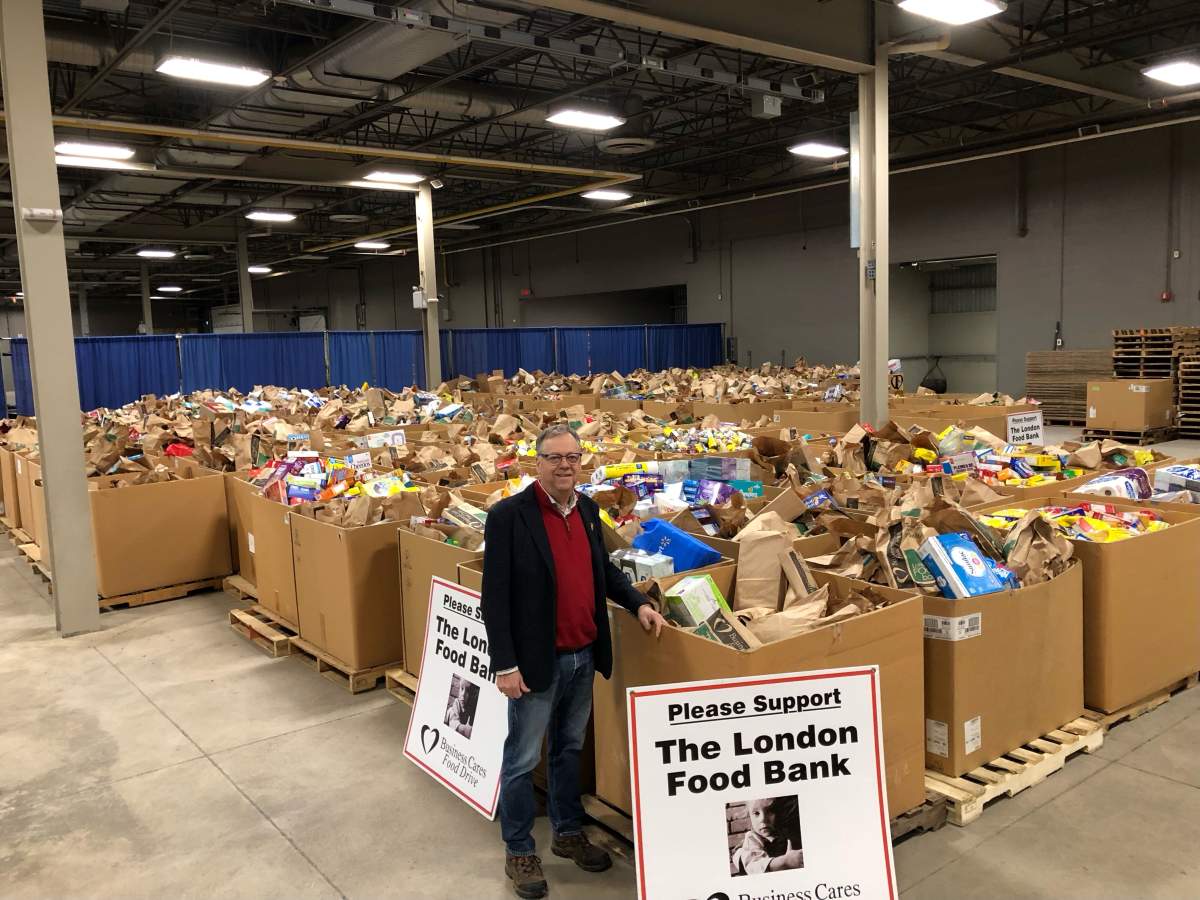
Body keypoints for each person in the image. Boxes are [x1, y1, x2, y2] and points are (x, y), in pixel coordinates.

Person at [481, 423, 667, 899]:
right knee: (522, 759)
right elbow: (495, 597)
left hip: (583, 655)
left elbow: (601, 569)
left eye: (573, 457)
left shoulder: (587, 508)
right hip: (536, 662)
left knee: (567, 750)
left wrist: (638, 602)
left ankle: (566, 833)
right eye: (555, 457)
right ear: (537, 463)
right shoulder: (509, 516)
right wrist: (505, 665)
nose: (565, 465)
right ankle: (520, 848)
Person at [731, 796, 804, 876]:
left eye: (769, 811)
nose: (763, 819)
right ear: (749, 815)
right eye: (756, 813)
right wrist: (785, 861)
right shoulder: (752, 838)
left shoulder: (782, 831)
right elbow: (754, 866)